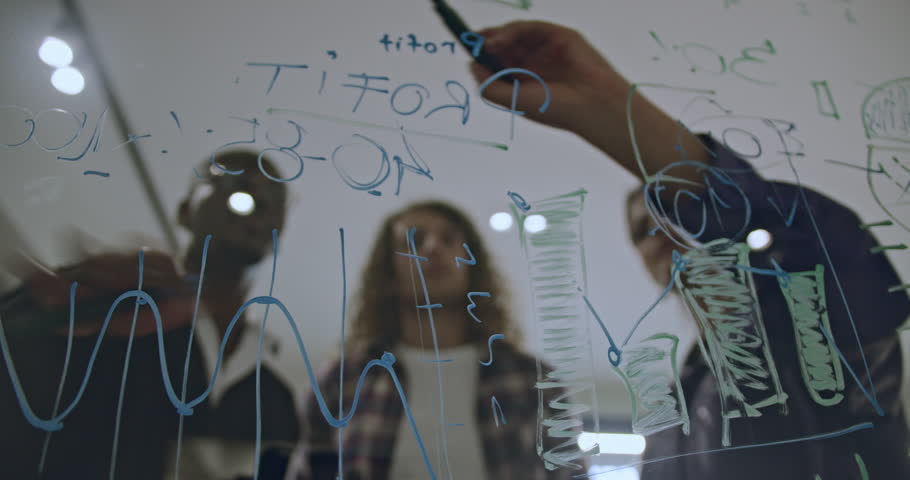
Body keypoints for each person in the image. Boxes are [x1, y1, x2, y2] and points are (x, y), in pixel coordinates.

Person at [466, 20, 910, 479]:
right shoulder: (672, 415)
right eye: (643, 231)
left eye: (673, 215)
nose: (662, 234)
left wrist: (610, 110)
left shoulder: (810, 324)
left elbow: (824, 242)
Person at [0, 150, 300, 479]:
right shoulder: (121, 313)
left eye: (275, 199)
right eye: (235, 185)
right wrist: (70, 291)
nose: (258, 202)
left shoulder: (275, 397)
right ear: (186, 212)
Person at [287, 200, 585, 479]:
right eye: (414, 242)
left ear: (471, 264)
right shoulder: (344, 379)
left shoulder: (532, 379)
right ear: (389, 274)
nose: (433, 248)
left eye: (449, 239)